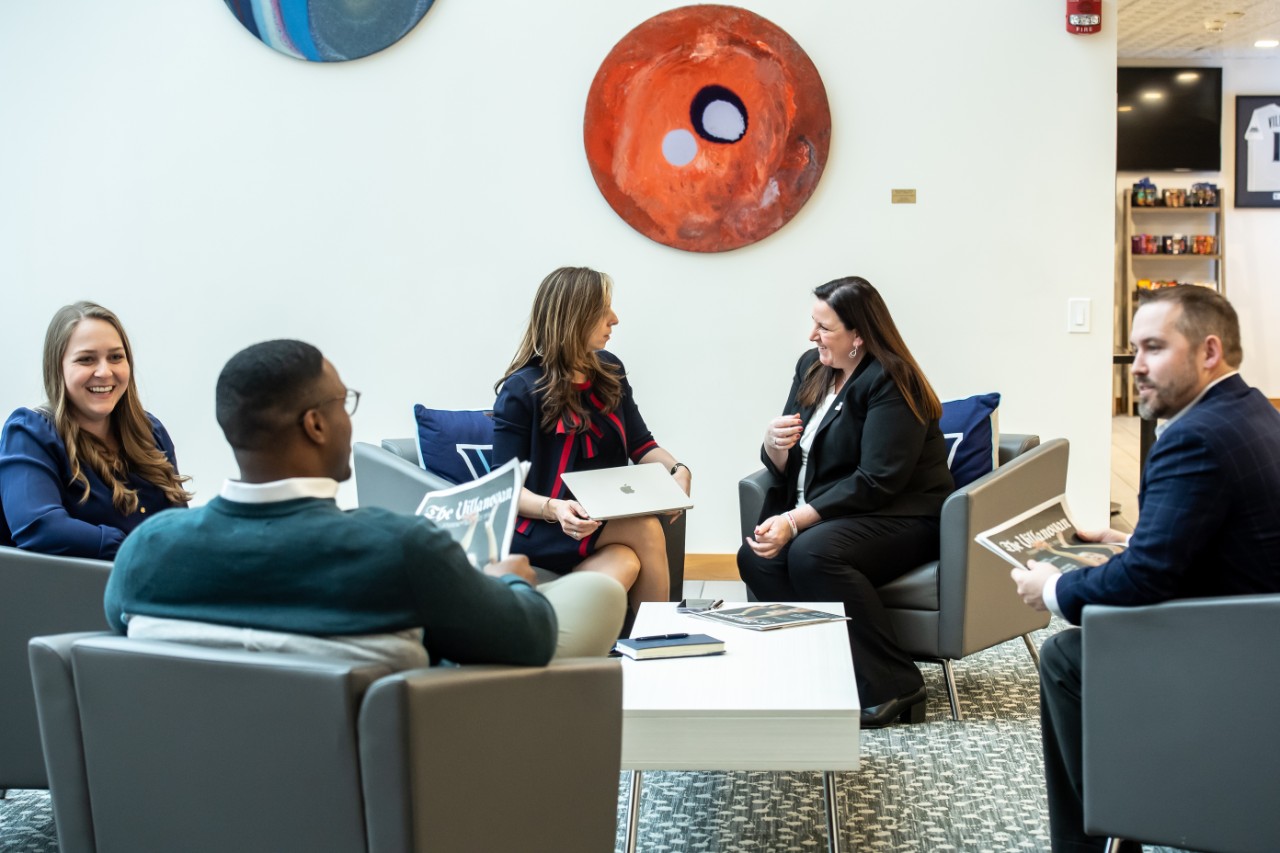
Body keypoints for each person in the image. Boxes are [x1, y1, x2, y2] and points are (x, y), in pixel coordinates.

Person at [104, 339, 627, 666]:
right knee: (598, 599)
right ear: (315, 424)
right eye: (343, 402)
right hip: (378, 808)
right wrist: (507, 578)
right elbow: (529, 640)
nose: (347, 417)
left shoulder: (148, 549)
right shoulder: (398, 548)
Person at [1010, 285, 1280, 852]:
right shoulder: (1252, 409)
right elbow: (1202, 541)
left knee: (1066, 655)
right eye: (1134, 350)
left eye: (1154, 348)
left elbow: (1145, 581)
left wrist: (1053, 586)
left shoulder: (1194, 438)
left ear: (1210, 352)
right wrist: (1128, 541)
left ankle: (1110, 828)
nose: (1136, 368)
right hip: (1254, 624)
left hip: (1235, 652)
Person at [737, 276, 954, 728]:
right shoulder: (812, 366)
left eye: (824, 327)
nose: (812, 336)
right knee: (756, 557)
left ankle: (895, 683)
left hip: (903, 513)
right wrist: (773, 444)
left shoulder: (893, 379)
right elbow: (792, 454)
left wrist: (796, 521)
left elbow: (877, 480)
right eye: (813, 323)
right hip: (836, 512)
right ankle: (825, 670)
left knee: (813, 554)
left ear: (859, 336)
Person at [493, 266, 691, 611]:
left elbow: (641, 445)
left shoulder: (610, 370)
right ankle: (659, 640)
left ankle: (582, 626)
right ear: (573, 317)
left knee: (627, 561)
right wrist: (554, 508)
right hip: (545, 526)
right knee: (644, 529)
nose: (614, 319)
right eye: (603, 311)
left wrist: (678, 470)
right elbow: (504, 487)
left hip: (600, 520)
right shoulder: (521, 391)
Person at [0, 301, 191, 559]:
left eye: (115, 357)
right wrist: (137, 548)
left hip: (154, 592)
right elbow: (39, 528)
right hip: (75, 595)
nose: (104, 372)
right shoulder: (30, 432)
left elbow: (180, 527)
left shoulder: (151, 431)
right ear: (58, 368)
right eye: (86, 359)